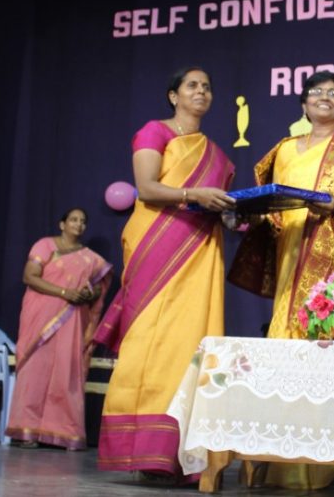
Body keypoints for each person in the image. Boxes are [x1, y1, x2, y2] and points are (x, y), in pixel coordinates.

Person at [229, 71, 334, 489]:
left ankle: (324, 462)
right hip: (290, 253)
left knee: (325, 351)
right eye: (316, 92)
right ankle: (278, 456)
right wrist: (248, 215)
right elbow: (271, 203)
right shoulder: (284, 149)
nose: (325, 97)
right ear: (303, 104)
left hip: (333, 257)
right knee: (285, 347)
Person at [93, 67, 235, 480]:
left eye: (207, 87)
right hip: (156, 244)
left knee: (190, 344)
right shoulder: (155, 132)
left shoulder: (217, 156)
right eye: (192, 85)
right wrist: (194, 194)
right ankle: (142, 449)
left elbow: (217, 206)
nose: (201, 91)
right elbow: (148, 188)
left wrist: (232, 215)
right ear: (174, 95)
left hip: (199, 252)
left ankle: (184, 454)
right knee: (149, 342)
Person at [6, 208, 112, 450]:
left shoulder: (90, 259)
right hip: (40, 315)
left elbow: (98, 286)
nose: (78, 224)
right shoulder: (45, 245)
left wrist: (88, 293)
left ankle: (63, 432)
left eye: (83, 221)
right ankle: (27, 431)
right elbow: (30, 277)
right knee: (35, 371)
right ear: (62, 224)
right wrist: (65, 292)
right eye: (73, 219)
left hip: (72, 319)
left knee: (66, 372)